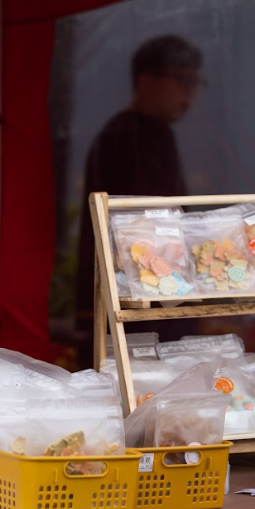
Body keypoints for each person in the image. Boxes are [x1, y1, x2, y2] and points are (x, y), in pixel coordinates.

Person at [75, 35, 203, 362]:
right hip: (142, 300)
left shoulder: (140, 133)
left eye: (195, 82)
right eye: (181, 81)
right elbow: (137, 229)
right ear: (146, 81)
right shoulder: (127, 136)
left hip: (149, 295)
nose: (190, 93)